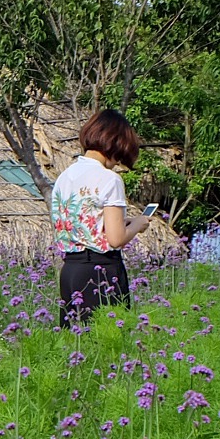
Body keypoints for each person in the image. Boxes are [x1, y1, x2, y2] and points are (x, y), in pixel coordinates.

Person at [49, 108, 151, 327]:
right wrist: (138, 224)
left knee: (76, 344)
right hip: (101, 272)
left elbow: (81, 224)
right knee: (107, 349)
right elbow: (116, 239)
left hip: (71, 271)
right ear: (114, 144)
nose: (117, 163)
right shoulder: (109, 179)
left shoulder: (64, 177)